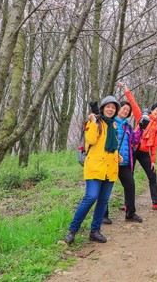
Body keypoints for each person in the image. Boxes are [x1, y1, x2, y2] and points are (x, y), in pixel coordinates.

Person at [64, 96, 122, 245]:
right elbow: (91, 140)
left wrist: (118, 156)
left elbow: (111, 146)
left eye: (113, 107)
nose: (110, 109)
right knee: (91, 197)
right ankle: (73, 230)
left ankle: (95, 231)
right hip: (95, 167)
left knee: (103, 201)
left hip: (110, 168)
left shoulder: (114, 126)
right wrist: (94, 122)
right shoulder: (94, 122)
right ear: (103, 108)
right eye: (108, 106)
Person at [103, 84, 144, 224]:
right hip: (111, 161)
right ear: (118, 109)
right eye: (123, 109)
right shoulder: (109, 123)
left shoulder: (128, 126)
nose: (125, 111)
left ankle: (130, 213)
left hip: (125, 163)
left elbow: (134, 141)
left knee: (130, 186)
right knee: (106, 188)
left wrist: (141, 130)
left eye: (128, 110)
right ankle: (103, 215)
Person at [135, 104, 157, 210]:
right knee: (129, 178)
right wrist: (126, 90)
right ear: (151, 110)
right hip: (133, 150)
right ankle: (128, 204)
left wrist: (153, 160)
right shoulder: (142, 117)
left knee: (152, 176)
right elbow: (134, 105)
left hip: (145, 153)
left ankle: (156, 203)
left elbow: (155, 145)